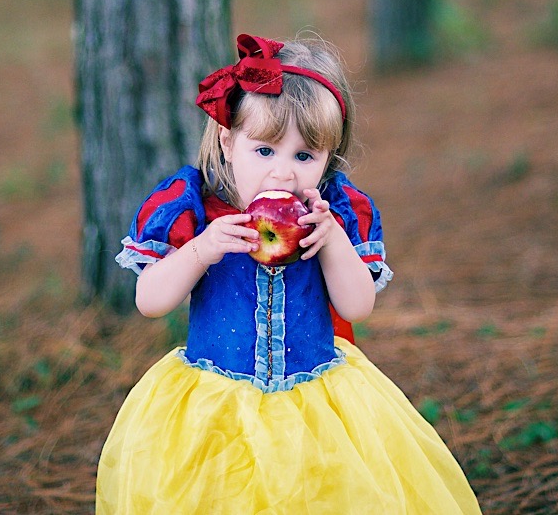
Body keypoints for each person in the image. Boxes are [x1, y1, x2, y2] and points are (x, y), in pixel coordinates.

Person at [96, 33, 481, 514]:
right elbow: (149, 301)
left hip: (315, 406)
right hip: (215, 408)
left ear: (328, 158)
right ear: (228, 140)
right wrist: (201, 249)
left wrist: (332, 241)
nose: (283, 173)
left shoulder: (332, 213)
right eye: (265, 151)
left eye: (304, 157)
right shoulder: (197, 209)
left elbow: (357, 306)